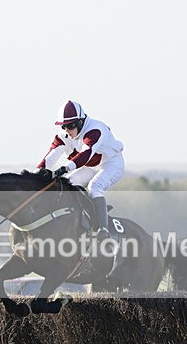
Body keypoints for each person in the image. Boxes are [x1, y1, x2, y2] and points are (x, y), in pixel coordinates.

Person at [36, 100, 125, 241]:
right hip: (90, 167)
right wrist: (34, 175)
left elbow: (86, 154)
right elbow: (50, 158)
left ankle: (103, 228)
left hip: (111, 164)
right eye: (64, 126)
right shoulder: (63, 136)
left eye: (70, 126)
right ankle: (82, 216)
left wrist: (65, 168)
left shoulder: (95, 130)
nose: (67, 131)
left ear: (80, 122)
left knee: (95, 187)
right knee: (67, 183)